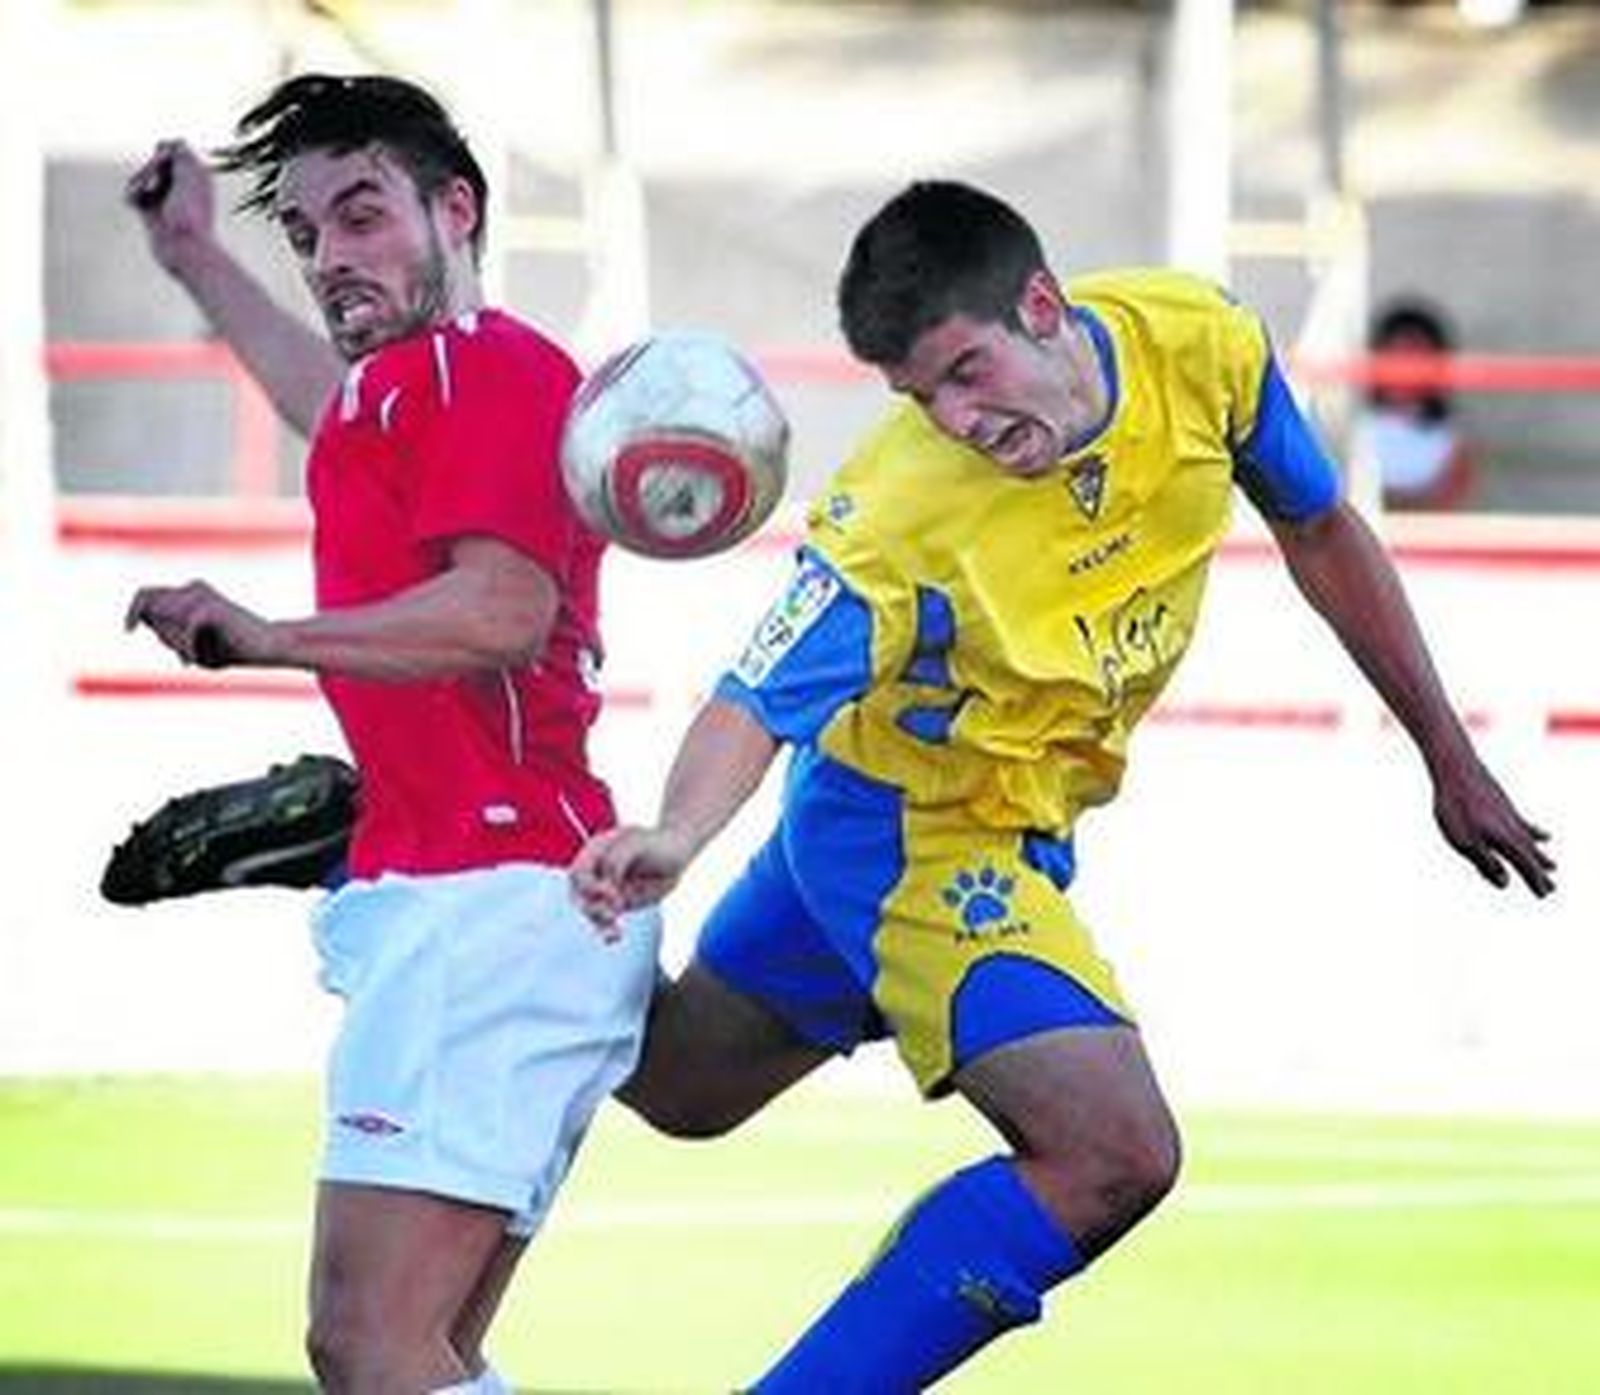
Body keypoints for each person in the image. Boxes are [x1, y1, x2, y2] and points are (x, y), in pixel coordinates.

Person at [569, 180, 1557, 1393]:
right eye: (922, 396)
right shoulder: (897, 509)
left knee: (678, 1089)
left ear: (1043, 306)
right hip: (906, 838)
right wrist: (677, 830)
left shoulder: (1203, 347)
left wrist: (1447, 758)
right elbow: (752, 695)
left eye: (967, 372)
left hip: (997, 823)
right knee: (1113, 1152)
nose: (956, 417)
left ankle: (434, 875)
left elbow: (1318, 527)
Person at [123, 75, 660, 1395]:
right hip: (495, 900)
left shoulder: (489, 366)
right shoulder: (403, 391)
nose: (330, 258)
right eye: (305, 236)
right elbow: (331, 407)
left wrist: (269, 635)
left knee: (369, 1344)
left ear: (455, 207)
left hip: (494, 905)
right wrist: (196, 254)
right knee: (418, 1351)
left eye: (362, 215)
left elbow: (501, 608)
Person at [1357, 297, 1478, 511]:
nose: (1406, 371)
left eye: (1416, 358)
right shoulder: (1353, 429)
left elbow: (1445, 508)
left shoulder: (1452, 442)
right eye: (1397, 357)